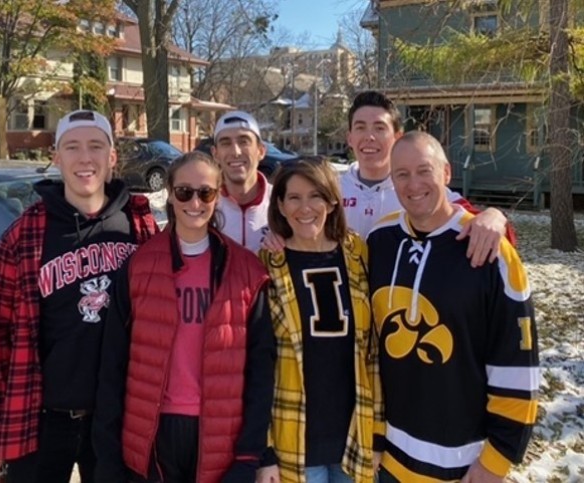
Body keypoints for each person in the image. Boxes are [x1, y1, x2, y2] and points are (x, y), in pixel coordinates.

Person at [0, 109, 158, 483]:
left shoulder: (140, 228)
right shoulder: (23, 236)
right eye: (72, 147)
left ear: (111, 157)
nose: (84, 157)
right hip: (42, 418)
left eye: (95, 146)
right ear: (56, 157)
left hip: (117, 417)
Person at [92, 151, 276, 483]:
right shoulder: (139, 266)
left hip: (220, 435)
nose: (195, 202)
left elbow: (261, 370)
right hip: (153, 435)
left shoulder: (247, 271)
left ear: (218, 196)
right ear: (170, 195)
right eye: (184, 192)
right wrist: (108, 454)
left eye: (205, 192)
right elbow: (113, 365)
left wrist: (252, 452)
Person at [368, 131, 538, 482]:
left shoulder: (490, 250)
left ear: (447, 173)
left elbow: (518, 366)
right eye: (401, 174)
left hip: (464, 464)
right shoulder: (379, 241)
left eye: (424, 170)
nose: (413, 184)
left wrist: (498, 458)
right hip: (388, 459)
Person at [266, 91, 511, 267]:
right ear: (349, 138)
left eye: (379, 128)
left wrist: (495, 217)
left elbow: (486, 228)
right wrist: (276, 236)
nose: (369, 137)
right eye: (360, 128)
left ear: (397, 136)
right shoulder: (333, 188)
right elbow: (293, 222)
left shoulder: (418, 191)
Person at [258, 157, 378, 483]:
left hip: (355, 437)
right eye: (293, 197)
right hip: (294, 440)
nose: (305, 207)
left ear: (332, 201)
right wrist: (264, 449)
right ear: (280, 205)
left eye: (315, 196)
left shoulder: (358, 255)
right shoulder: (268, 265)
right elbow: (258, 364)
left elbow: (374, 353)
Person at [211, 110, 271, 252]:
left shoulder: (282, 203)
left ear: (261, 151)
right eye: (226, 143)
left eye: (244, 141)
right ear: (215, 154)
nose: (236, 152)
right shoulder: (203, 204)